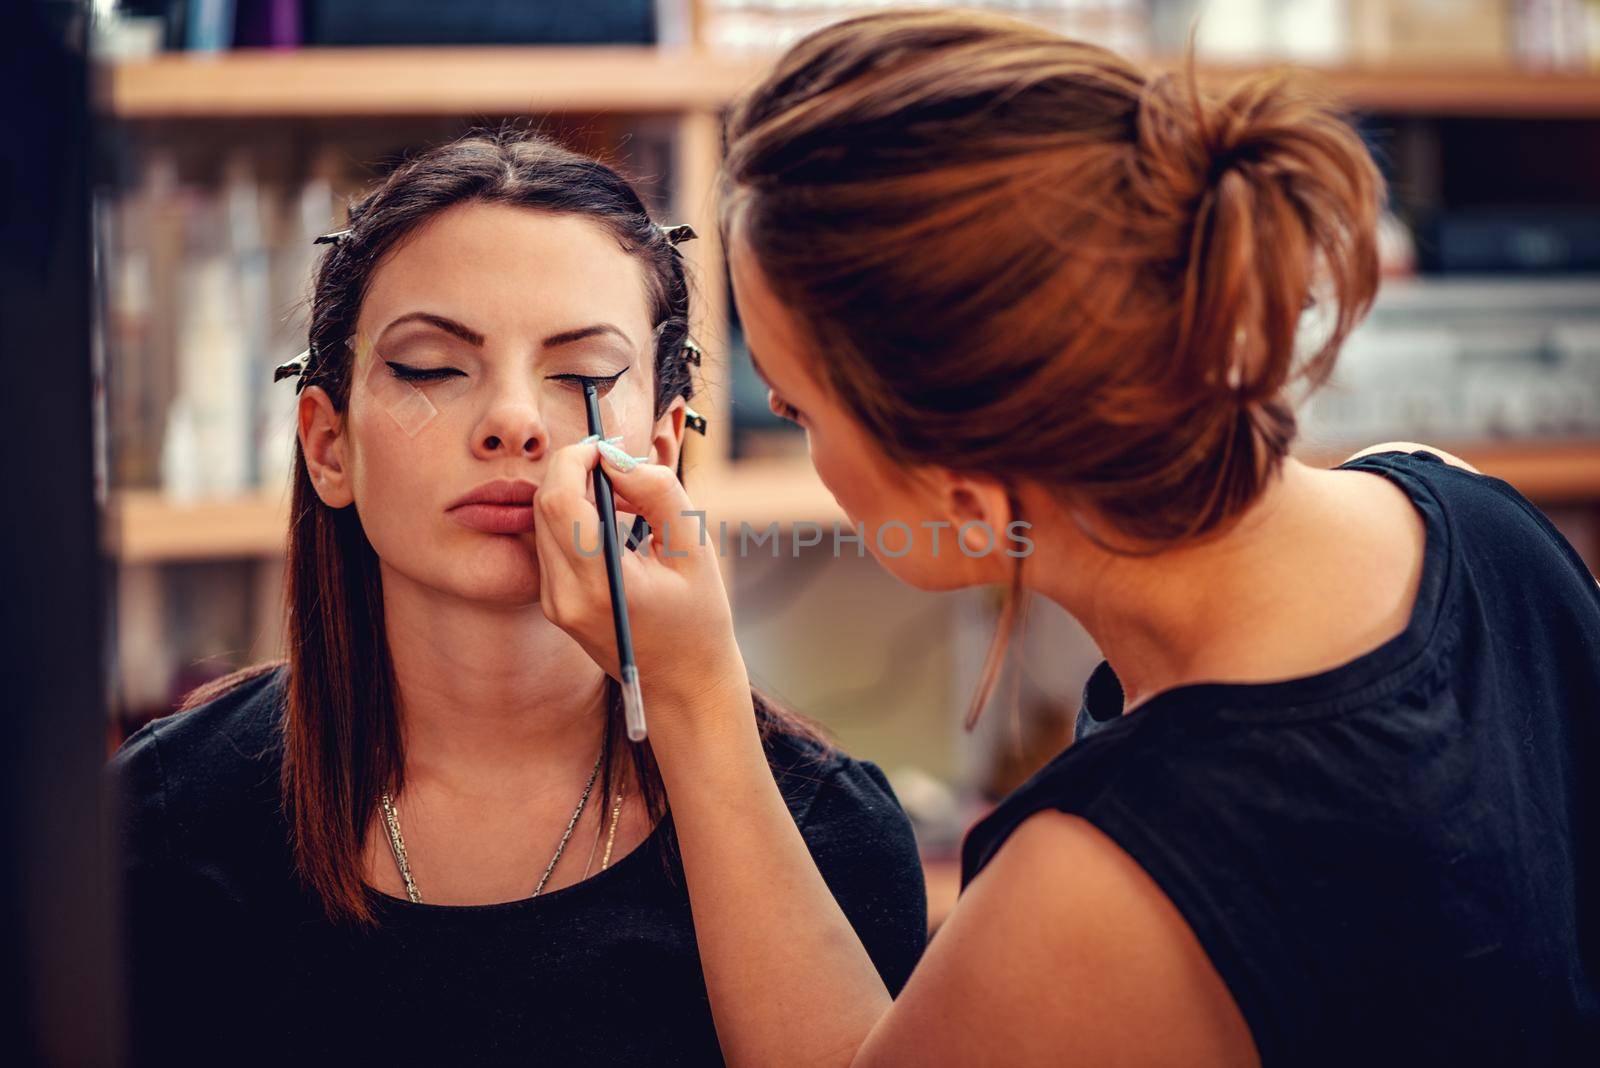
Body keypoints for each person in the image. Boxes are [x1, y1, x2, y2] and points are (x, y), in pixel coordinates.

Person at [531, 11, 1600, 1066]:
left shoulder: (1105, 886)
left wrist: (689, 691)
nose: (798, 437)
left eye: (802, 411)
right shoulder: (1470, 508)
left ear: (968, 495)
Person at [107, 130, 927, 1067]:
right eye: (431, 368)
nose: (511, 422)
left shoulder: (830, 832)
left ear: (661, 448)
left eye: (580, 374)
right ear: (329, 446)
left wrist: (697, 690)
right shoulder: (158, 822)